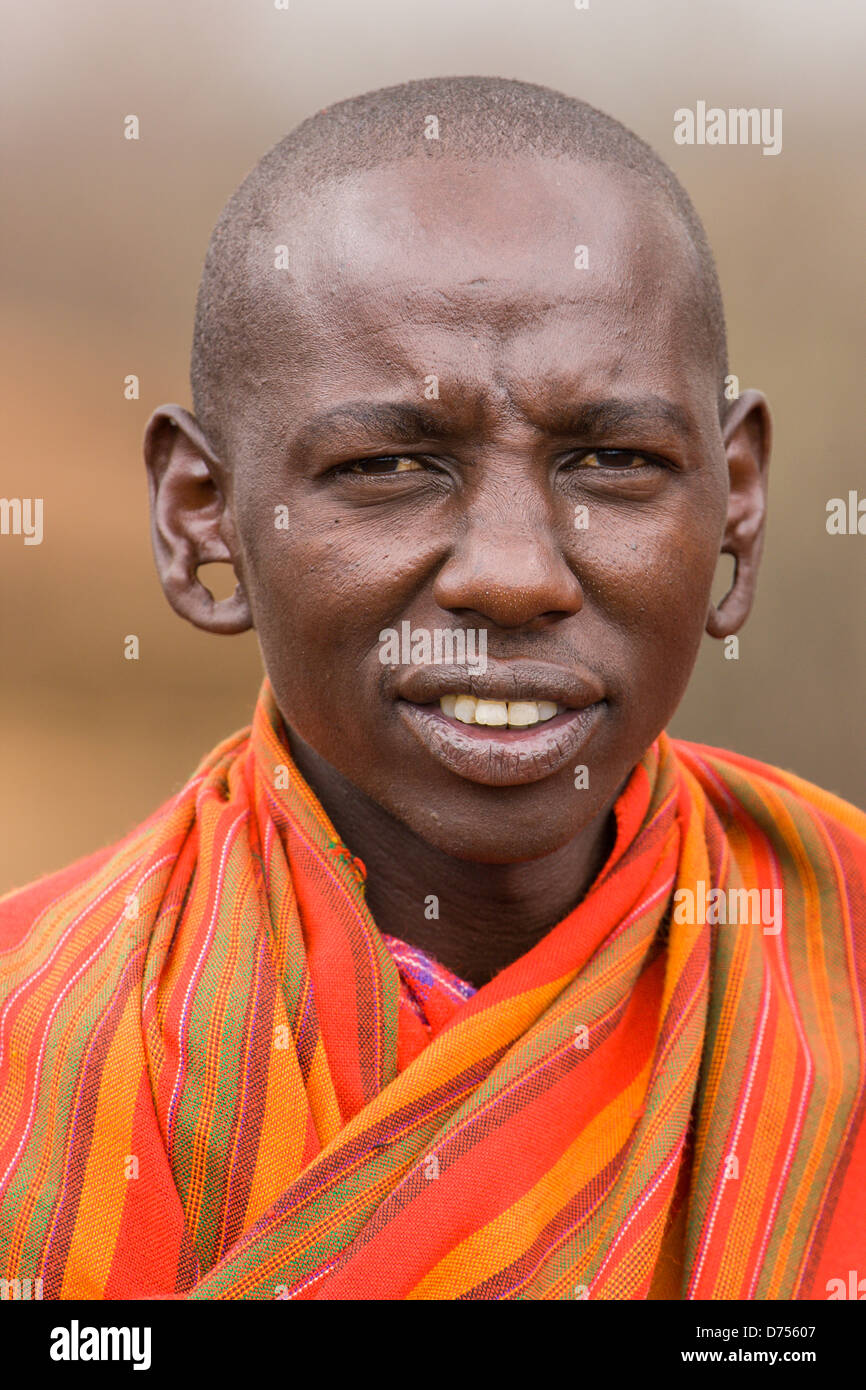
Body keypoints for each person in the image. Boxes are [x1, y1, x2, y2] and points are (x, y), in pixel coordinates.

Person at [1, 76, 864, 1301]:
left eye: (612, 460)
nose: (512, 578)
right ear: (202, 518)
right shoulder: (29, 1051)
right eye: (387, 465)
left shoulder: (840, 971)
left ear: (737, 507)